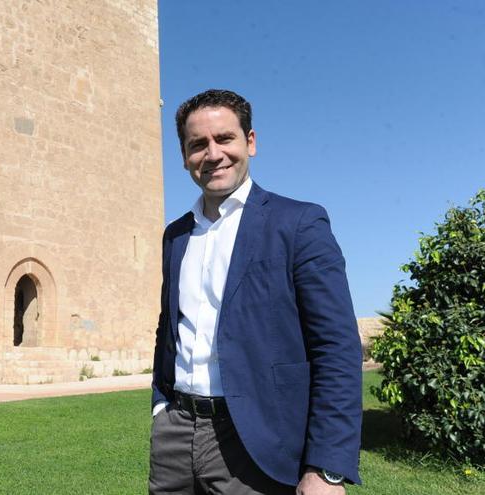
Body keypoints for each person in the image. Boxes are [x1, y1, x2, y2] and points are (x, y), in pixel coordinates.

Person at [149, 89, 362, 495]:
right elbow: (169, 327)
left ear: (250, 142)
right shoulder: (175, 236)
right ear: (184, 156)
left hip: (254, 439)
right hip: (175, 437)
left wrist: (327, 468)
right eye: (198, 144)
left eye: (224, 139)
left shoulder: (298, 223)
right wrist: (162, 405)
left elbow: (336, 347)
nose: (213, 154)